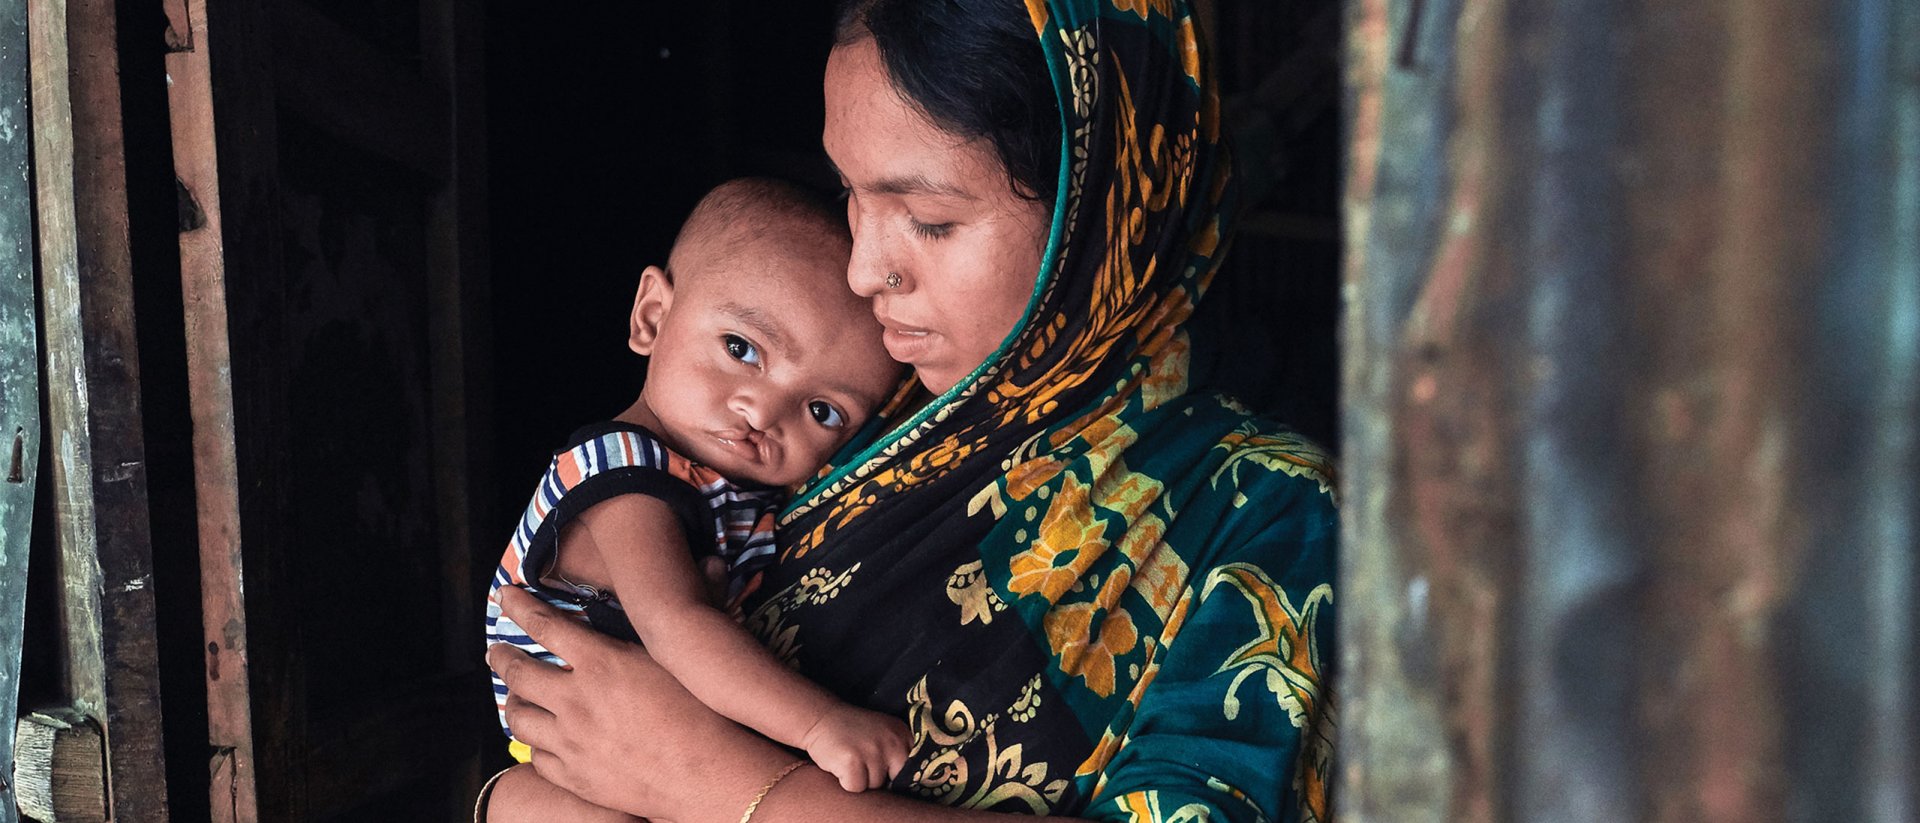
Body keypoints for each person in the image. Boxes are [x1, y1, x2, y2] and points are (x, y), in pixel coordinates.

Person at [486, 1, 1338, 821]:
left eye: (929, 220)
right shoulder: (877, 398)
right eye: (852, 193)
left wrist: (719, 785)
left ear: (1101, 208)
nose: (863, 273)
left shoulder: (1266, 513)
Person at [482, 178, 911, 822]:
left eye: (822, 411)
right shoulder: (622, 472)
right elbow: (677, 628)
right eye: (742, 350)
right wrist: (823, 723)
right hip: (562, 756)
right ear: (652, 315)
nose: (763, 411)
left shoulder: (740, 492)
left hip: (652, 751)